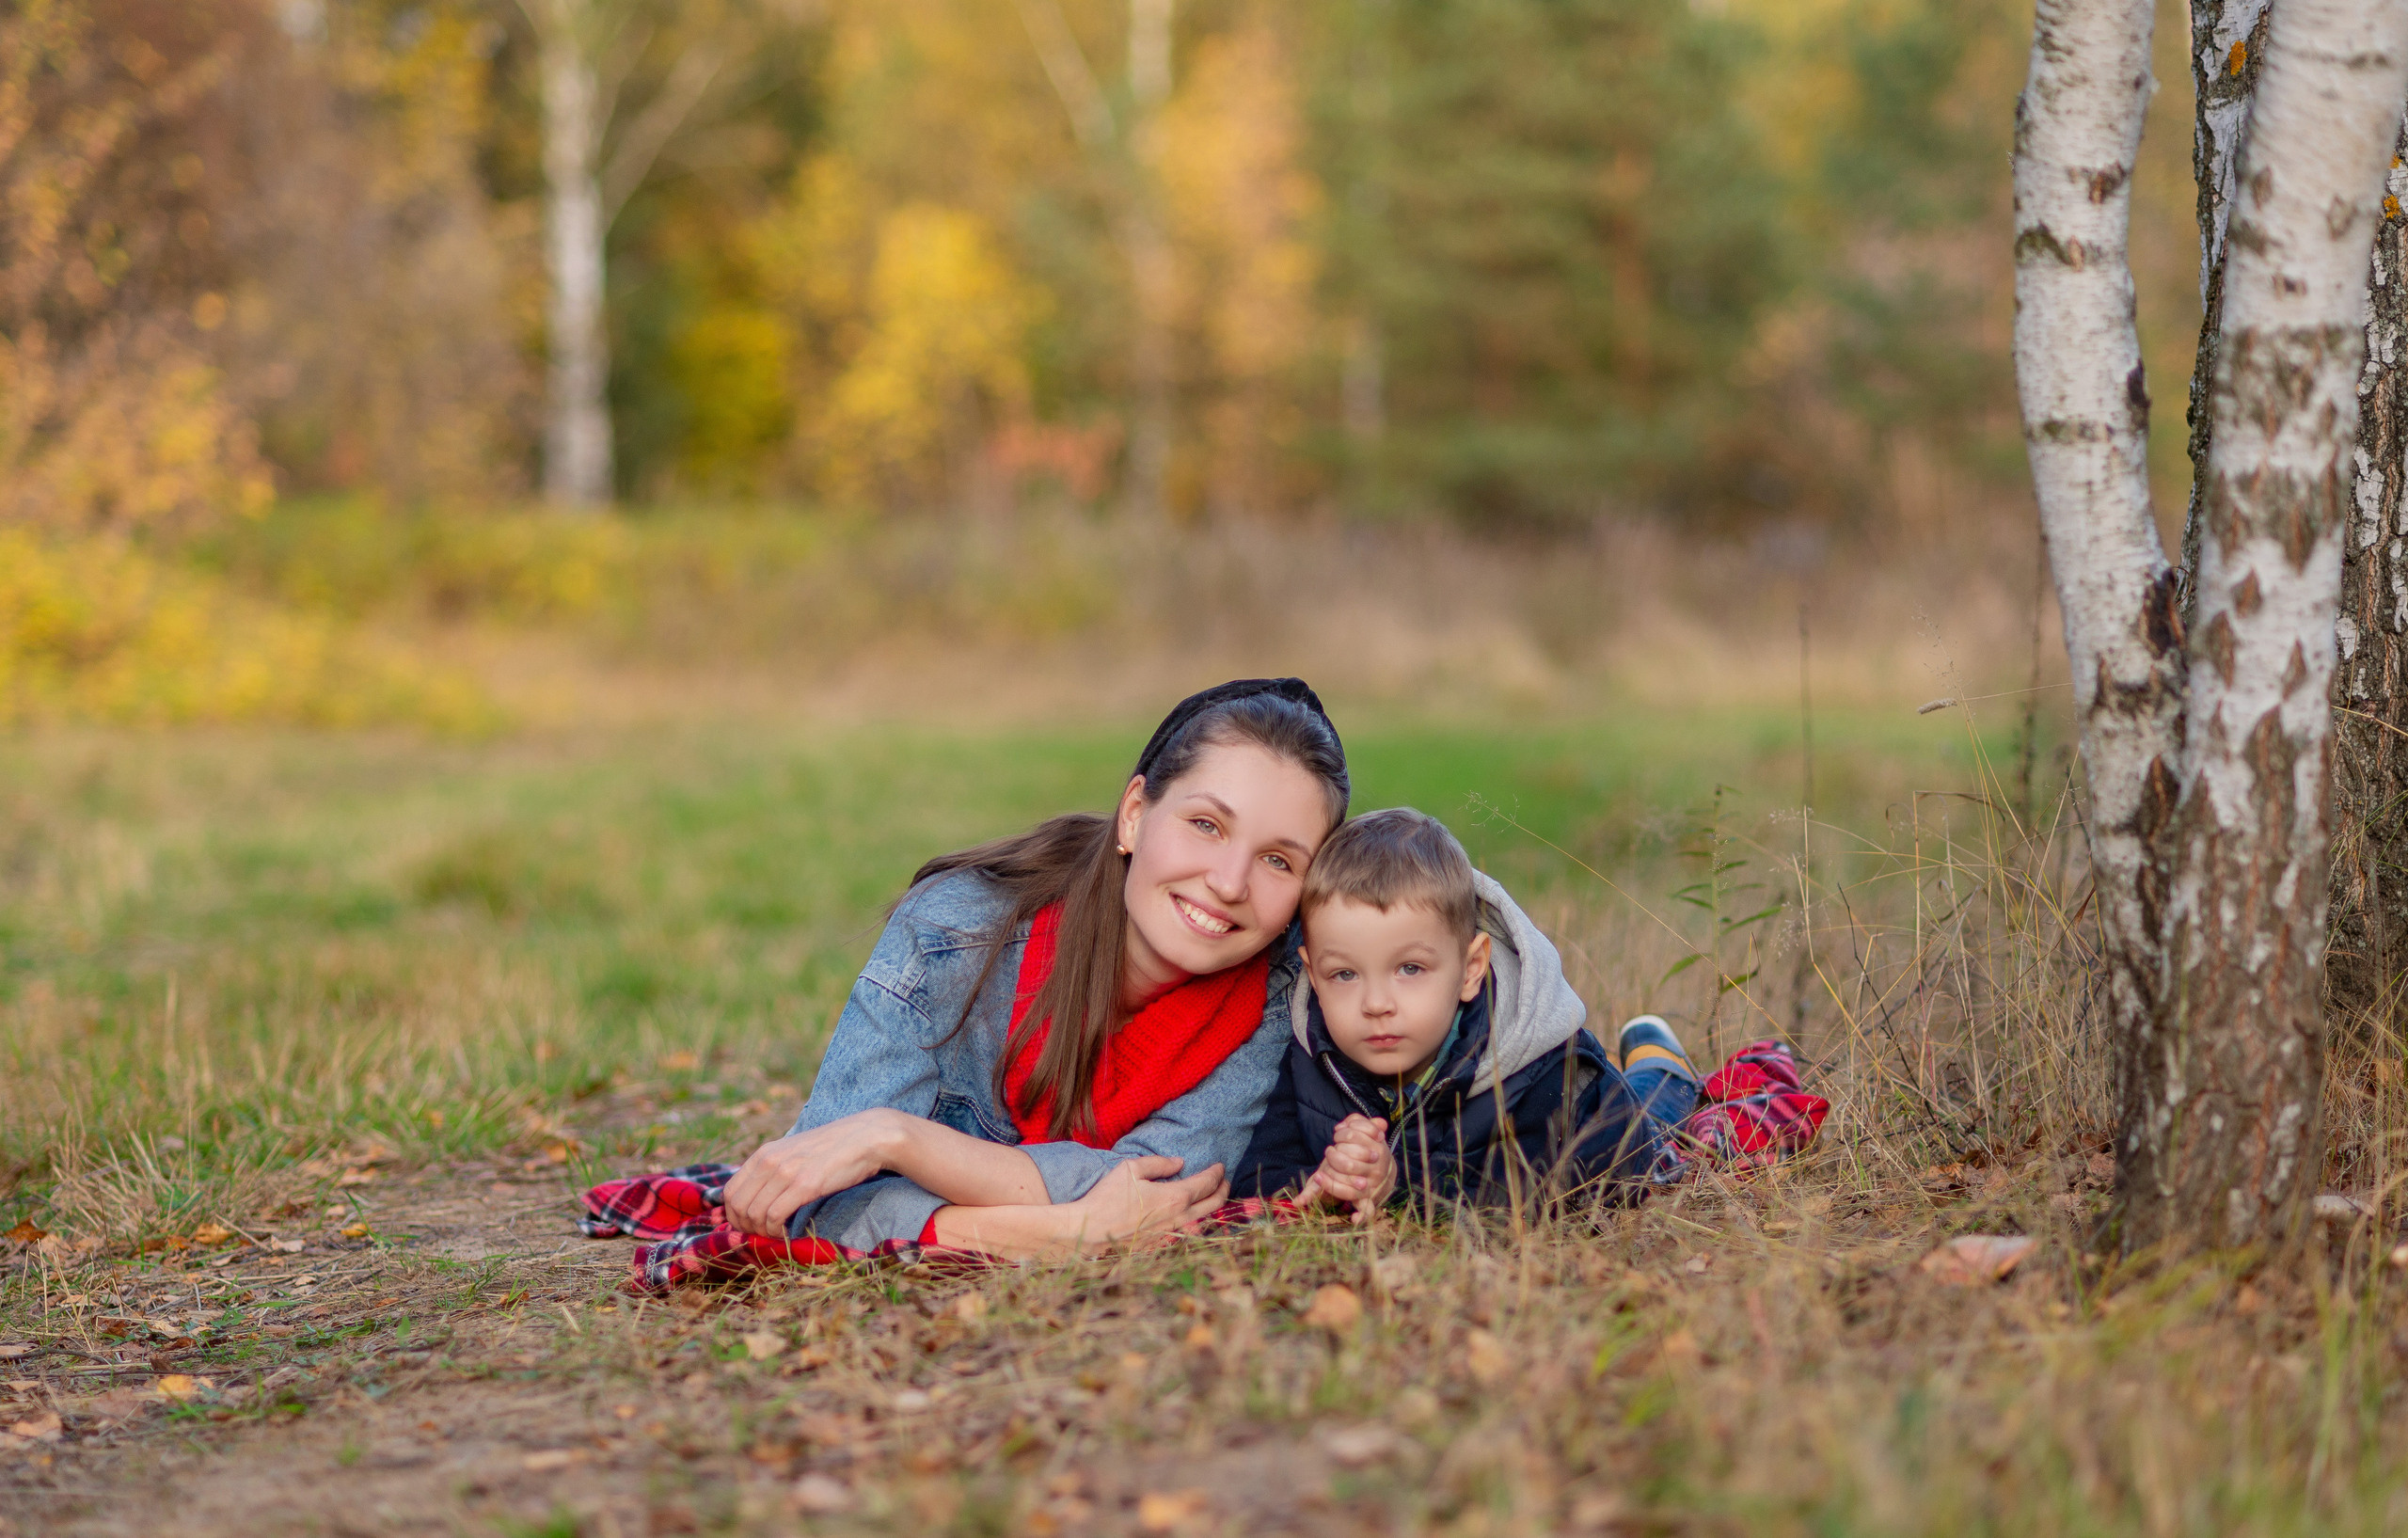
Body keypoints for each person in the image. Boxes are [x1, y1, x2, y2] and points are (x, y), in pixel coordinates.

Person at [720, 678, 1349, 1259]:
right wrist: (1060, 1232)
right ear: (1134, 814)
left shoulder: (1277, 994)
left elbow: (1166, 1193)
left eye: (1277, 860)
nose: (1229, 882)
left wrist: (895, 1139)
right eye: (1206, 824)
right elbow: (810, 1201)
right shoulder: (952, 932)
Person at [1230, 807, 1699, 1216]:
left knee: (1657, 1119)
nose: (1376, 1004)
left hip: (1622, 1135)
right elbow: (1259, 1170)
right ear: (1313, 975)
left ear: (1471, 968)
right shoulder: (1309, 1055)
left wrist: (1397, 1186)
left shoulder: (1537, 1070)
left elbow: (1530, 1198)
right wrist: (1332, 1177)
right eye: (1345, 975)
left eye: (1409, 969)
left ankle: (1664, 1069)